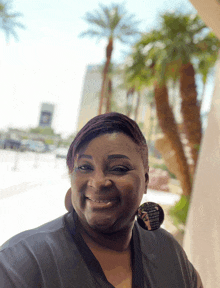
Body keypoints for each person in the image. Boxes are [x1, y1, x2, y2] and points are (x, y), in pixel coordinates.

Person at [0, 112, 203, 288]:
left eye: (118, 169)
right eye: (85, 167)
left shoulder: (168, 252)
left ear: (146, 180)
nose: (98, 183)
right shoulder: (20, 263)